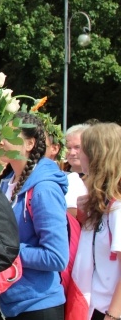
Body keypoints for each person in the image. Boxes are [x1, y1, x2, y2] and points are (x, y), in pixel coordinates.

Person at [0, 112, 69, 319]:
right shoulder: (6, 184)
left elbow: (56, 257)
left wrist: (3, 250)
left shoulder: (44, 189)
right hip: (8, 300)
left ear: (29, 144)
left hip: (38, 305)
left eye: (9, 135)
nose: (0, 141)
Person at [71, 123, 121, 320]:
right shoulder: (103, 205)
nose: (76, 154)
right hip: (95, 308)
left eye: (81, 149)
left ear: (96, 156)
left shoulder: (117, 209)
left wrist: (113, 315)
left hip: (108, 311)